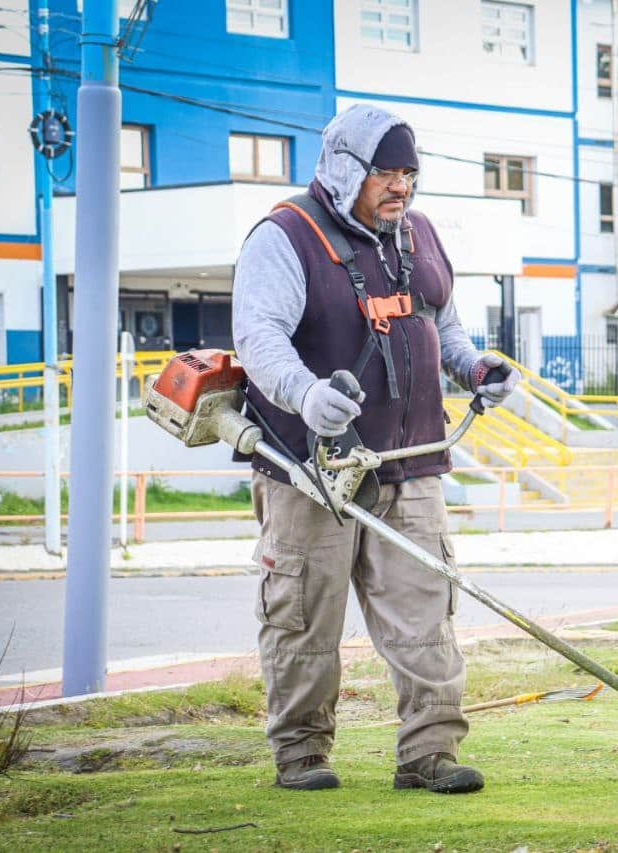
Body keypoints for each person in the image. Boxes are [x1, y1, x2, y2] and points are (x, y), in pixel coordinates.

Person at [232, 104, 520, 792]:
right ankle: (301, 754)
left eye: (409, 175)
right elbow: (259, 336)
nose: (401, 189)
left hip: (411, 464)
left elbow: (445, 333)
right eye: (386, 174)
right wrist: (304, 395)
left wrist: (477, 371)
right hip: (309, 472)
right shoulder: (286, 236)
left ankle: (429, 755)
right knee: (303, 616)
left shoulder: (416, 237)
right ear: (344, 169)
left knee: (427, 614)